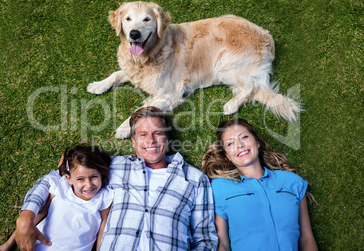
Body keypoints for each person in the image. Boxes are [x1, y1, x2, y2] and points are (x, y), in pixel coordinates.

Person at [14, 106, 218, 251]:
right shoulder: (113, 165)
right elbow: (52, 179)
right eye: (143, 135)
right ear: (133, 141)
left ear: (167, 138)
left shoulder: (194, 179)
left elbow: (205, 237)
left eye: (158, 133)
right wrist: (26, 217)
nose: (151, 141)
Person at [201, 118, 317, 251]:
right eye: (230, 143)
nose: (239, 145)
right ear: (227, 155)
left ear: (257, 142)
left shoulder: (292, 181)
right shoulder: (219, 188)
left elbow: (307, 238)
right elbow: (223, 244)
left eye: (244, 137)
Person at [0, 146, 114, 251]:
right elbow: (38, 216)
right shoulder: (61, 190)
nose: (88, 185)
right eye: (80, 179)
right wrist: (9, 243)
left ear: (101, 174)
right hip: (40, 246)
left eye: (93, 177)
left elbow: (102, 234)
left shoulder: (103, 198)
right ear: (69, 179)